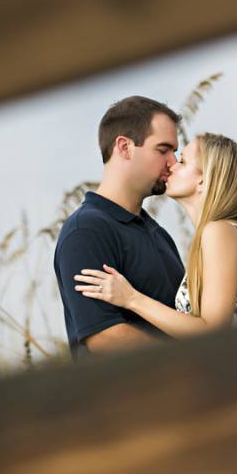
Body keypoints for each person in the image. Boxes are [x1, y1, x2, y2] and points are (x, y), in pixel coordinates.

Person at [73, 132, 237, 339]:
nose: (172, 165)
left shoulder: (218, 232)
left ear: (203, 180)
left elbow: (212, 332)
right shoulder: (221, 233)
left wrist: (131, 298)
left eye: (182, 161)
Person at [53, 95, 185, 360]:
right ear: (124, 147)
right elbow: (104, 338)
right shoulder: (86, 231)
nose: (173, 162)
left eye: (175, 151)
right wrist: (191, 358)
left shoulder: (159, 233)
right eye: (162, 150)